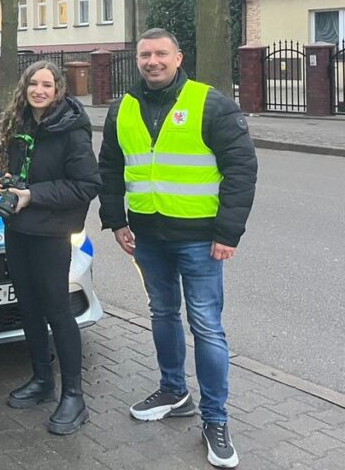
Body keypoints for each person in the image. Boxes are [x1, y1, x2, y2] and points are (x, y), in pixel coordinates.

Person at [98, 28, 257, 469]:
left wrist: (228, 233)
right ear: (137, 59)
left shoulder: (211, 103)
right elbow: (110, 166)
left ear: (178, 57)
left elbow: (241, 169)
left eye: (160, 54)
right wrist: (115, 220)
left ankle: (216, 419)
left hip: (201, 241)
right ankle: (174, 391)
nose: (152, 61)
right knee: (162, 314)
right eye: (145, 54)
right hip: (147, 237)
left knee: (206, 326)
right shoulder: (122, 108)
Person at [0, 61, 101, 435]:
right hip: (18, 228)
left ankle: (74, 395)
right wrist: (8, 181)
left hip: (51, 233)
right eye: (33, 84)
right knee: (28, 307)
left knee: (57, 310)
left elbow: (86, 184)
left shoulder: (70, 130)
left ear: (59, 90)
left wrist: (32, 195)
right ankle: (42, 379)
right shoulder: (21, 124)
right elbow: (22, 172)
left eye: (47, 85)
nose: (39, 90)